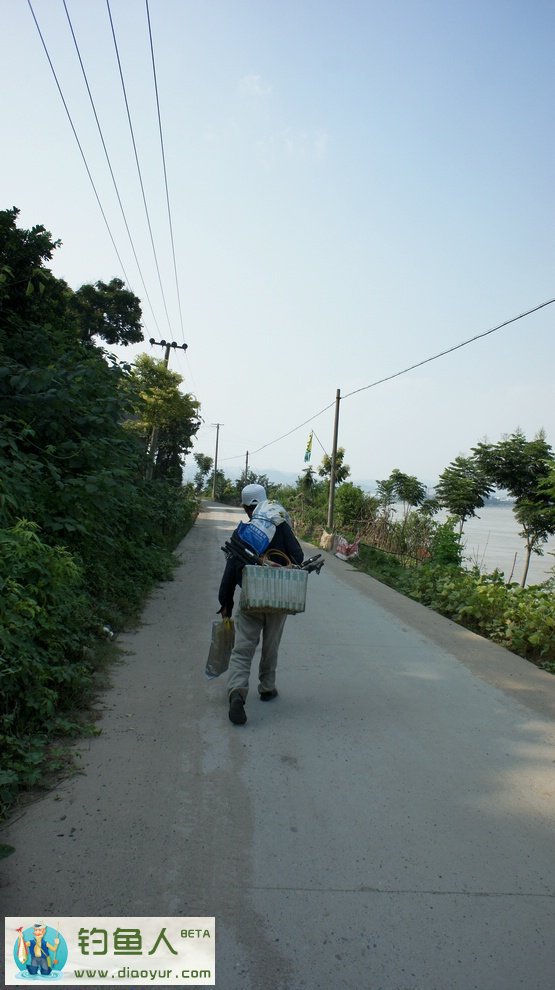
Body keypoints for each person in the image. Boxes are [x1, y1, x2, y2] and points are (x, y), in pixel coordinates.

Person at [218, 483, 303, 725]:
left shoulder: (244, 530)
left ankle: (236, 692)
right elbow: (297, 557)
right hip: (278, 597)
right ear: (265, 501)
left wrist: (226, 601)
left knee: (243, 648)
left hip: (251, 596)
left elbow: (232, 566)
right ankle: (267, 687)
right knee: (271, 644)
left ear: (247, 507)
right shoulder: (281, 523)